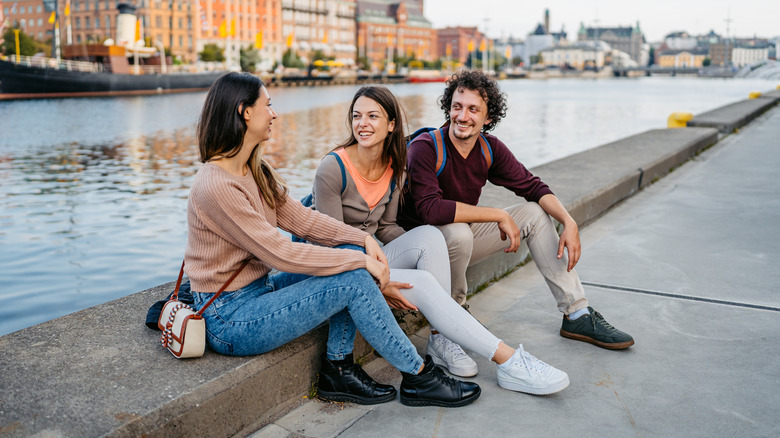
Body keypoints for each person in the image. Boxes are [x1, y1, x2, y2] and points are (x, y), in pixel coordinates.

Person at [184, 72, 481, 408]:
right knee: (354, 277)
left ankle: (338, 368)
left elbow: (302, 219)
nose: (274, 113)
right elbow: (281, 252)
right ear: (245, 113)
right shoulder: (216, 185)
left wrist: (360, 241)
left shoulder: (254, 169)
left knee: (351, 254)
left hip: (259, 291)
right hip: (230, 318)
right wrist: (362, 261)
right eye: (268, 105)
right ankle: (418, 375)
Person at [310, 85, 570, 395]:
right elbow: (330, 242)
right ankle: (509, 361)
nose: (362, 124)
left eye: (372, 116)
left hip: (373, 257)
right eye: (356, 116)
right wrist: (381, 278)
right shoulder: (332, 168)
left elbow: (388, 227)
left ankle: (443, 337)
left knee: (432, 236)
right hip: (343, 264)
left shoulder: (393, 168)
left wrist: (423, 256)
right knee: (424, 281)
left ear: (391, 124)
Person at [398, 69, 634, 350]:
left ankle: (577, 313)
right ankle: (454, 317)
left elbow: (532, 186)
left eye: (473, 109)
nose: (462, 117)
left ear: (488, 118)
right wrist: (498, 215)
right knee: (459, 231)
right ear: (448, 108)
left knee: (535, 213)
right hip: (421, 250)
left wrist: (569, 222)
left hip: (458, 244)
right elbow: (431, 211)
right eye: (457, 107)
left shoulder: (489, 148)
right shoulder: (426, 148)